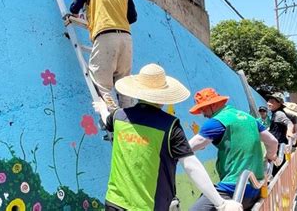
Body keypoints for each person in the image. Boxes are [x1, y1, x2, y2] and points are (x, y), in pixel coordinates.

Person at [93, 64, 242, 211]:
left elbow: (107, 119)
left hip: (114, 201)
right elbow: (191, 165)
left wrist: (102, 108)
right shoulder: (170, 126)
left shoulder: (119, 116)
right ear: (163, 96)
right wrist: (221, 204)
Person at [187, 88, 279, 211]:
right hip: (256, 185)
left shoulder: (217, 122)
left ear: (213, 105)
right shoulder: (249, 118)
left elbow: (184, 149)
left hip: (233, 186)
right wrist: (270, 157)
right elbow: (273, 142)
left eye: (203, 108)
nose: (203, 114)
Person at [70, 0, 137, 111]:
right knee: (124, 84)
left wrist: (75, 13)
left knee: (101, 80)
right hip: (126, 39)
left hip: (106, 35)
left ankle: (112, 117)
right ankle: (128, 118)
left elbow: (75, 6)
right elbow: (132, 18)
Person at [266, 93, 294, 175]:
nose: (269, 103)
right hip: (275, 145)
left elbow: (289, 123)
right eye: (268, 101)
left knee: (275, 171)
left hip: (278, 146)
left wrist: (289, 132)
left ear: (279, 104)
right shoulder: (274, 113)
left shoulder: (279, 114)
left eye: (272, 101)